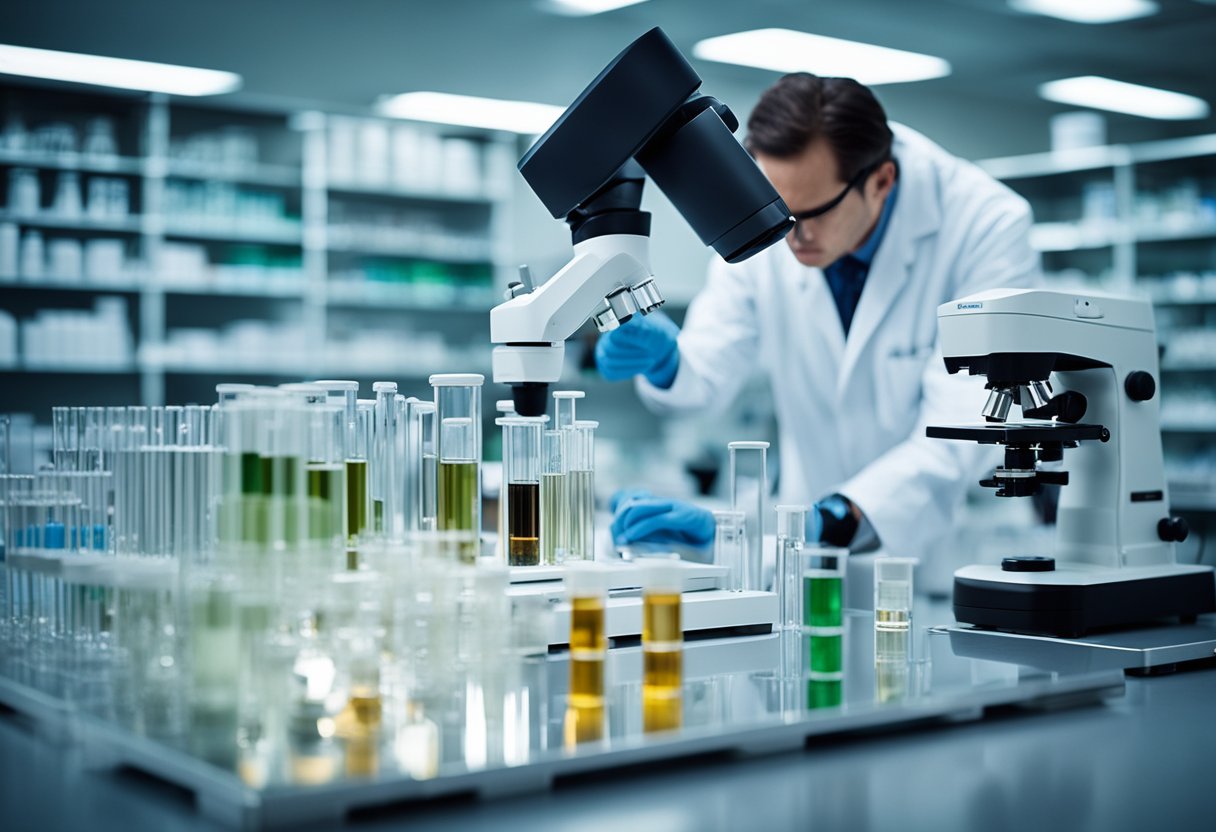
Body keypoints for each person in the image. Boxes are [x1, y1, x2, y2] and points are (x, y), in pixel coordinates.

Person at [599, 73, 1041, 563]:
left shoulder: (985, 225)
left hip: (946, 554)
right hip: (807, 552)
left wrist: (828, 518)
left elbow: (963, 431)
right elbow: (708, 367)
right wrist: (669, 364)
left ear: (881, 182)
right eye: (778, 211)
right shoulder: (770, 215)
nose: (792, 235)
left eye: (813, 213)